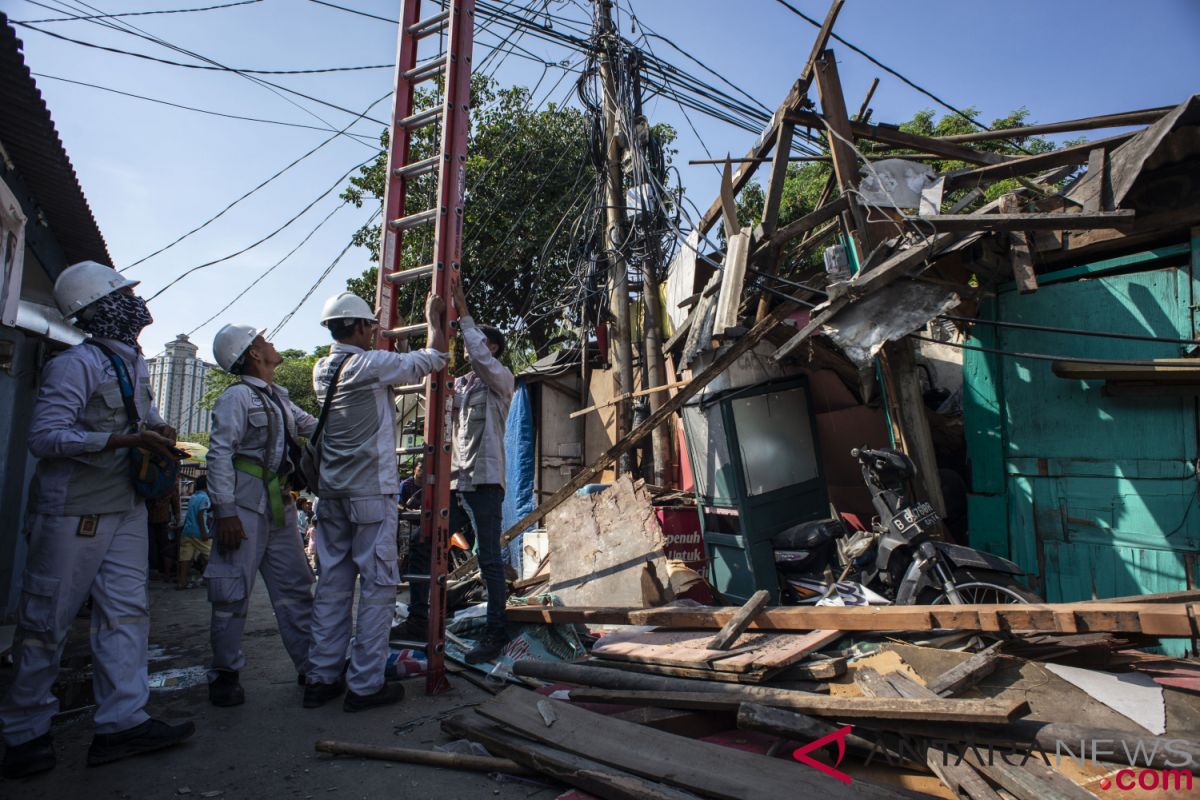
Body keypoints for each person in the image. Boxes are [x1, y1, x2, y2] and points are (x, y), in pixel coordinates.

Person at [0, 261, 195, 778]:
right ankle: (23, 733)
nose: (137, 301)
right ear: (103, 308)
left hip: (123, 504)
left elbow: (136, 420)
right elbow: (44, 438)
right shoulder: (76, 364)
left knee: (127, 614)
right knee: (47, 620)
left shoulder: (132, 363)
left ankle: (122, 722)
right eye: (125, 294)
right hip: (73, 508)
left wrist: (154, 429)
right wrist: (119, 440)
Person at [304, 292, 447, 712]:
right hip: (369, 493)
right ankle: (365, 685)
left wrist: (377, 328)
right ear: (363, 327)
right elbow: (434, 358)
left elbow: (380, 361)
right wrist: (432, 320)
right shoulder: (369, 365)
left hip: (330, 496)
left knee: (332, 587)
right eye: (370, 326)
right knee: (379, 587)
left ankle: (321, 676)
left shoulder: (322, 368)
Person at [204, 324, 318, 707]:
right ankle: (224, 672)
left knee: (296, 588)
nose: (271, 343)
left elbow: (316, 429)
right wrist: (225, 512)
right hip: (245, 505)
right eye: (264, 340)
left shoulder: (279, 399)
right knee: (231, 590)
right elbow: (219, 453)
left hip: (279, 503)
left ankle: (311, 667)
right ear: (254, 353)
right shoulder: (236, 398)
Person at [406, 277, 514, 664]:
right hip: (456, 479)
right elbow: (431, 393)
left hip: (484, 483)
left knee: (488, 558)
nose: (471, 349)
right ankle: (419, 617)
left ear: (494, 347)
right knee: (422, 542)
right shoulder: (464, 385)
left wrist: (462, 306)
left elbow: (481, 358)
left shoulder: (499, 378)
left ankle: (495, 631)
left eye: (478, 342)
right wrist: (432, 326)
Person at [178, 475, 213, 589]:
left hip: (187, 531)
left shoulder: (193, 496)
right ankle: (208, 579)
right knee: (210, 555)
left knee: (185, 558)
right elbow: (200, 515)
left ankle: (182, 582)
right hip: (198, 531)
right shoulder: (204, 498)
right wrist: (204, 532)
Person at [146, 480, 181, 580]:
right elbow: (175, 501)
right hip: (157, 518)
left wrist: (177, 517)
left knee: (157, 545)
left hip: (156, 519)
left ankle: (158, 569)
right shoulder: (170, 482)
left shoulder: (170, 483)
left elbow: (175, 501)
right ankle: (159, 569)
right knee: (160, 545)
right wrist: (177, 517)